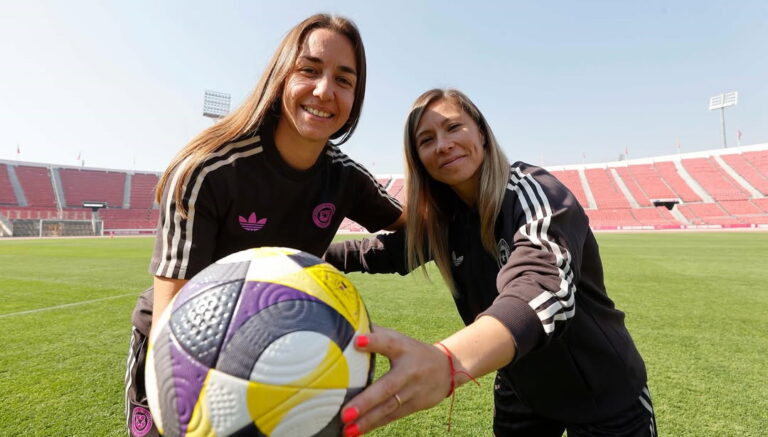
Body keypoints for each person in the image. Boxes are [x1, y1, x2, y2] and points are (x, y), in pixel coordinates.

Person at [124, 14, 404, 437]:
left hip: (285, 348)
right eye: (308, 70)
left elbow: (417, 227)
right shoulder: (209, 170)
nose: (325, 90)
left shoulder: (345, 177)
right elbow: (172, 334)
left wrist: (336, 262)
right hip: (185, 350)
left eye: (344, 80)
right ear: (280, 76)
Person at [325, 88, 657, 437]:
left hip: (602, 391)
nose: (443, 144)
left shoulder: (530, 190)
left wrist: (447, 362)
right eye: (427, 139)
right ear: (419, 158)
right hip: (522, 387)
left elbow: (545, 287)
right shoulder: (445, 222)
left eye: (454, 127)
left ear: (481, 132)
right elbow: (379, 252)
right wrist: (302, 257)